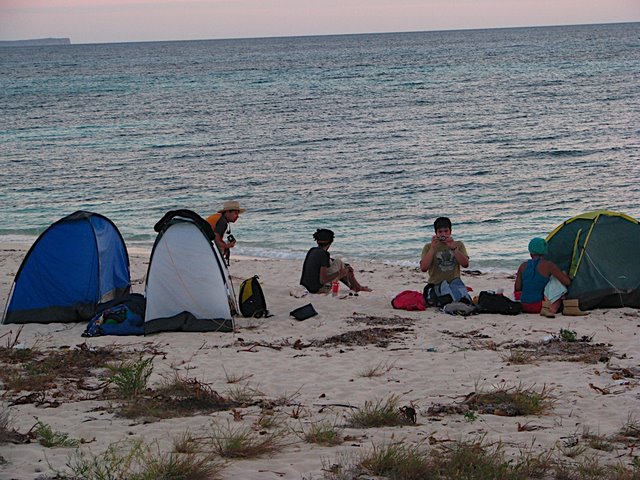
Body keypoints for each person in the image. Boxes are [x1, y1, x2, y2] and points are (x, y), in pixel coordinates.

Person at [300, 228, 371, 294]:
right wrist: (339, 273)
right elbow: (323, 280)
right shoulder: (324, 254)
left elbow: (327, 260)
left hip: (306, 287)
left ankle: (355, 286)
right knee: (339, 263)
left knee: (339, 263)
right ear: (331, 242)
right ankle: (357, 287)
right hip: (319, 289)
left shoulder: (312, 250)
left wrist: (345, 266)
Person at [514, 237, 571, 316]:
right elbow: (567, 282)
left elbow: (517, 288)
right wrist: (565, 274)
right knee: (558, 278)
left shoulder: (523, 266)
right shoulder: (549, 265)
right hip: (541, 306)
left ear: (530, 252)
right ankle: (552, 308)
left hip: (524, 305)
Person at [420, 217, 470, 284]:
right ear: (436, 233)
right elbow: (423, 268)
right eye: (440, 232)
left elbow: (465, 264)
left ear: (450, 231)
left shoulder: (458, 244)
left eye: (446, 231)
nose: (443, 234)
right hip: (435, 283)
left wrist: (454, 249)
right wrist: (432, 248)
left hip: (454, 283)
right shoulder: (428, 247)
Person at [206, 200, 245, 265]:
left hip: (203, 242)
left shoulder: (218, 217)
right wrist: (227, 246)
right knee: (222, 249)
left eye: (238, 214)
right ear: (227, 212)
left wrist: (225, 246)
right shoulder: (222, 221)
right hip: (205, 246)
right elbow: (216, 239)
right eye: (235, 213)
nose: (237, 216)